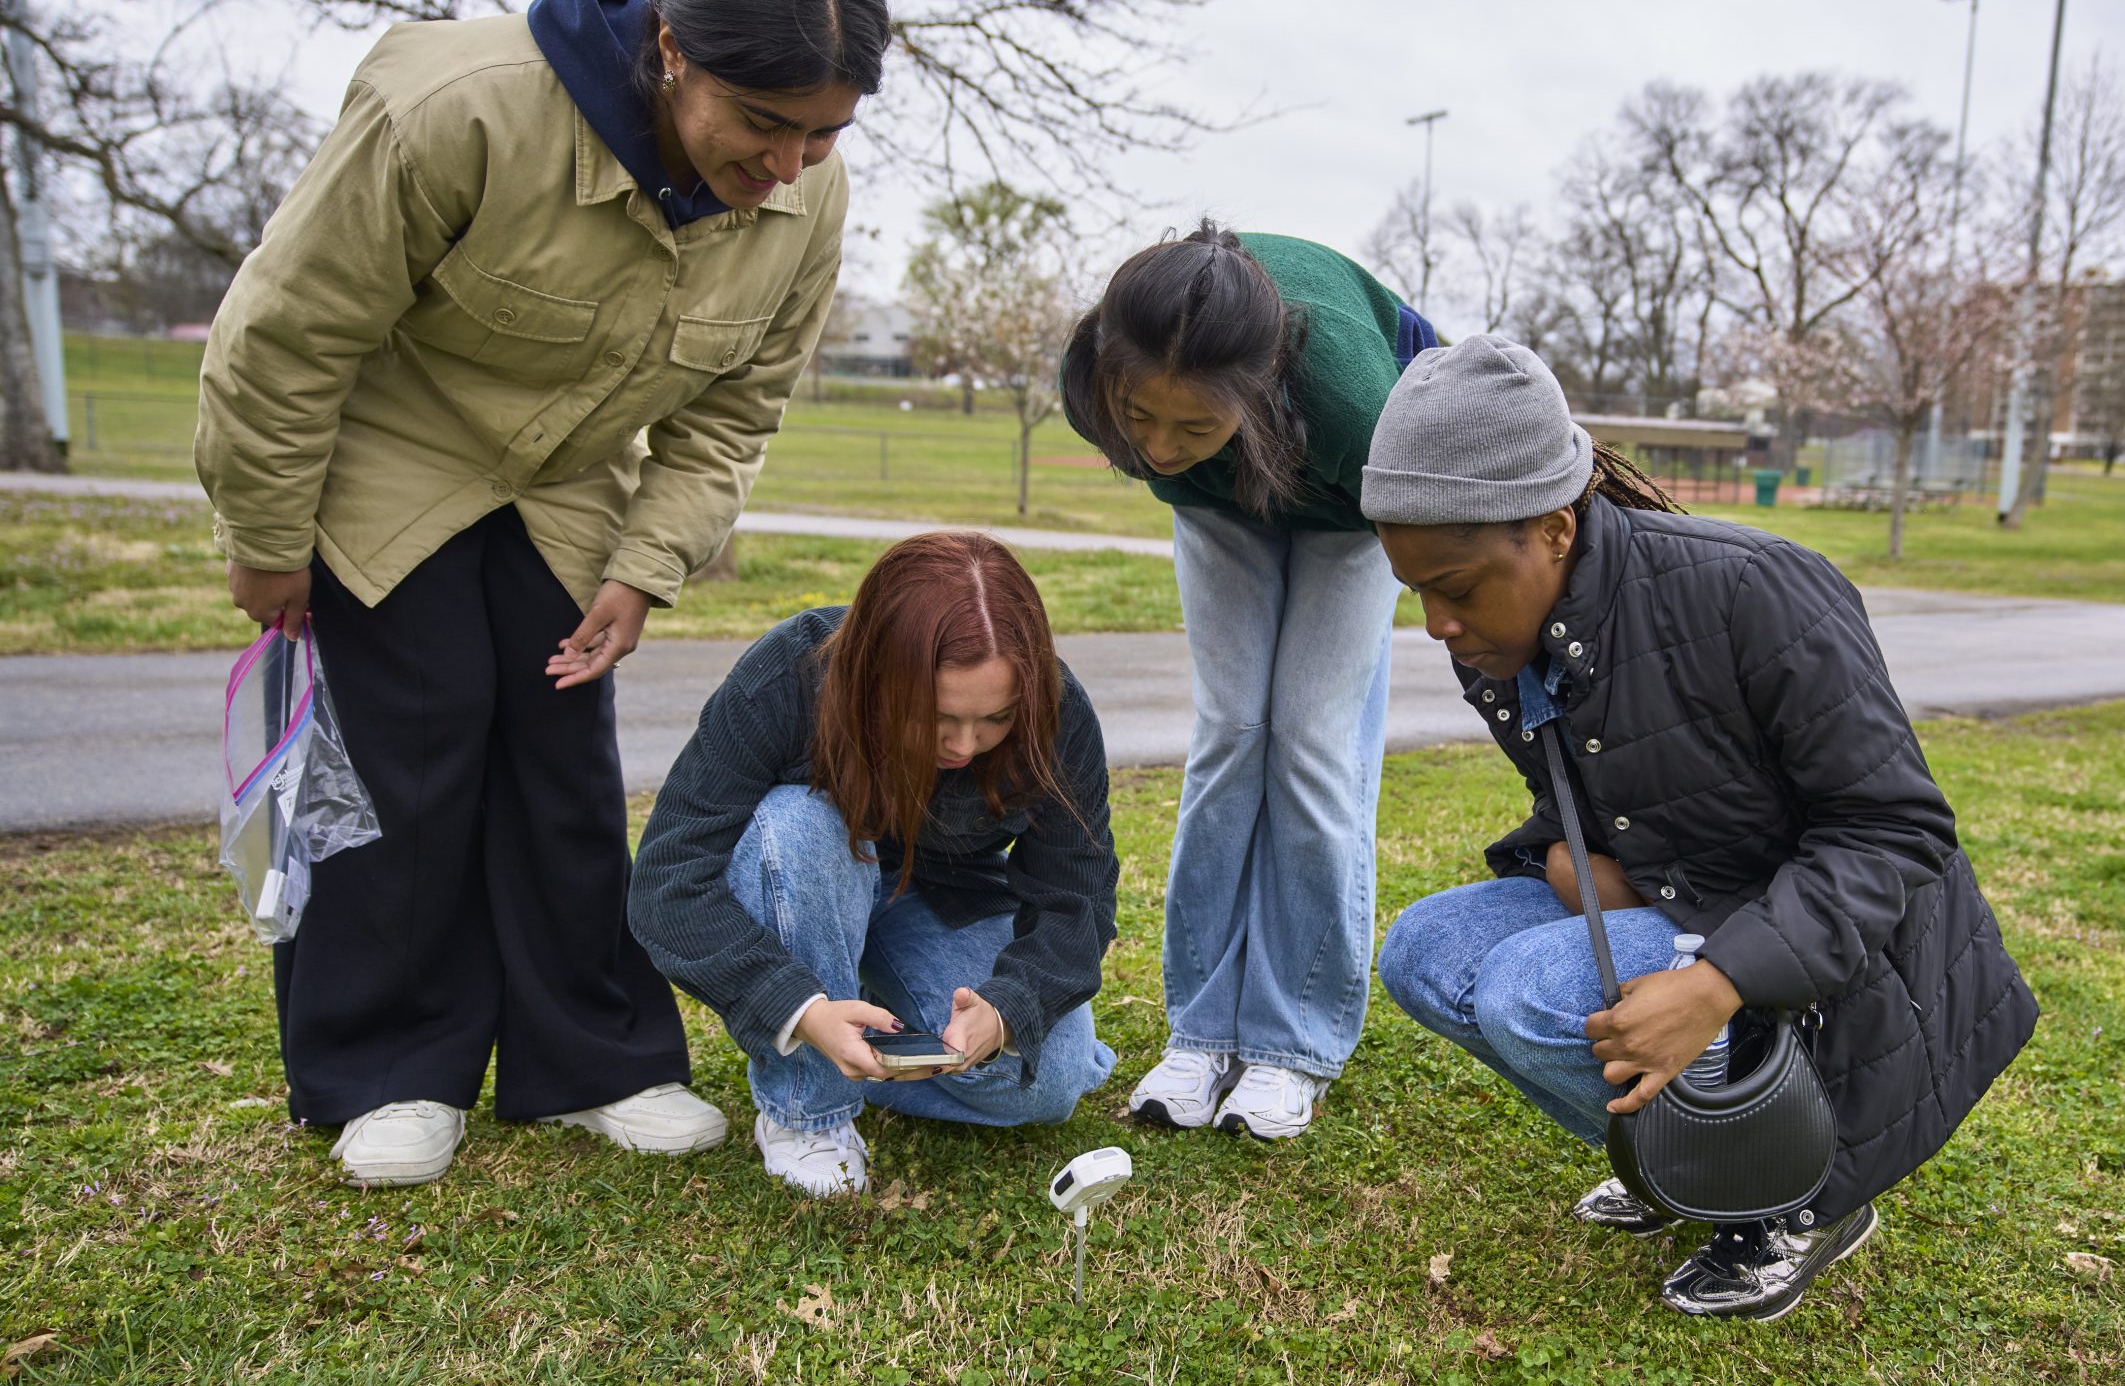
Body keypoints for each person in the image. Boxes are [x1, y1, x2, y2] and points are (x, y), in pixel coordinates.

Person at [194, 0, 888, 1186]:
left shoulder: (808, 196)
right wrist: (268, 533)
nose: (791, 164)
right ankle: (391, 1069)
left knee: (564, 771)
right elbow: (283, 335)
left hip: (571, 484)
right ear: (672, 48)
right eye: (763, 122)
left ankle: (596, 1060)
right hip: (391, 458)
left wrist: (643, 565)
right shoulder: (451, 107)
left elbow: (734, 411)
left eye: (825, 131)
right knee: (408, 762)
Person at [1366, 336, 2039, 1319]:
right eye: (1416, 590)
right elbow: (1615, 786)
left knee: (1527, 992)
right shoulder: (1505, 637)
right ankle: (1680, 1159)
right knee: (1425, 951)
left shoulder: (1757, 590)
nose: (1436, 624)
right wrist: (1566, 855)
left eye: (1457, 588)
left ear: (1553, 529)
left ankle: (1797, 1194)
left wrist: (1717, 982)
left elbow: (1893, 833)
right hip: (1693, 895)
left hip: (1839, 956)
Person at [1057, 225, 1436, 1139]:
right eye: (1139, 417)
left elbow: (1427, 514)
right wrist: (1183, 437)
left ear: (1258, 389)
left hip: (1359, 508)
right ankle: (1201, 1031)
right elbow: (1162, 433)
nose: (1157, 446)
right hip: (1222, 504)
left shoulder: (1350, 399)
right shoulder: (1094, 374)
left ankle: (1292, 1040)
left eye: (1192, 425)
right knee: (1232, 729)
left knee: (1309, 735)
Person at [626, 534, 1119, 1195]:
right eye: (938, 716)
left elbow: (1077, 897)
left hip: (942, 893)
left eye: (996, 718)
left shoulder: (1059, 710)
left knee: (1049, 1082)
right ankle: (808, 1110)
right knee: (798, 824)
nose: (964, 745)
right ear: (877, 673)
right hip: (805, 873)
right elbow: (668, 881)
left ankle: (867, 1037)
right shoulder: (787, 677)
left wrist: (1010, 1008)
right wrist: (796, 1007)